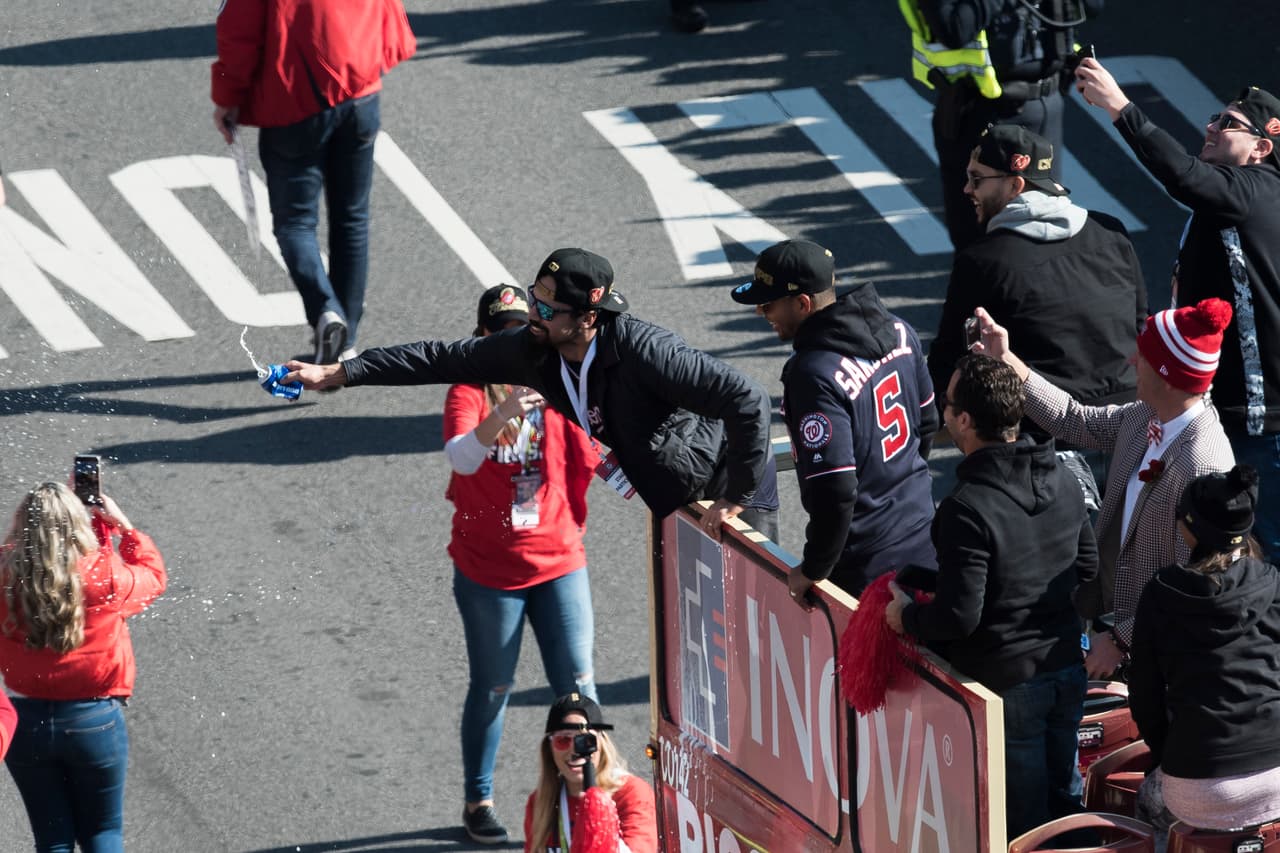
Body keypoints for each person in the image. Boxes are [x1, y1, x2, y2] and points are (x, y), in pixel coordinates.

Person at [285, 248, 779, 540]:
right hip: (677, 497)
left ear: (588, 317)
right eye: (534, 299)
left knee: (757, 624)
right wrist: (340, 373)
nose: (534, 318)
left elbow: (748, 399)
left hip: (730, 480)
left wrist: (738, 494)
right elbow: (439, 357)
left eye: (547, 310)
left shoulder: (647, 351)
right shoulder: (532, 350)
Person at [1075, 60, 1280, 562]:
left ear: (1262, 148)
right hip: (1227, 409)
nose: (1211, 126)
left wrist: (1120, 107)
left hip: (1254, 424)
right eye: (1215, 116)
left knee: (1258, 552)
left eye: (1228, 123)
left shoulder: (1248, 192)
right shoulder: (1247, 197)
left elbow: (1183, 176)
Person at [885, 354, 1096, 838]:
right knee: (1065, 812)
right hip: (1066, 669)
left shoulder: (965, 509)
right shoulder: (1065, 479)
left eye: (948, 403)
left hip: (1010, 687)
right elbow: (1086, 569)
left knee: (1021, 828)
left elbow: (960, 617)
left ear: (964, 420)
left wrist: (908, 617)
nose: (940, 411)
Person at [975, 298, 1236, 679]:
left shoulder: (1203, 466)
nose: (1132, 362)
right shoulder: (1148, 415)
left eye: (1143, 356)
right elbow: (1074, 420)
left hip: (1161, 654)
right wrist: (1007, 360)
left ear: (1166, 375)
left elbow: (1198, 582)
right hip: (1119, 626)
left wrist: (1121, 640)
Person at [447, 285, 600, 845]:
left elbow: (593, 446)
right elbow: (461, 458)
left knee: (579, 689)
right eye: (500, 330)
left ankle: (588, 803)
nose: (513, 338)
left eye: (522, 326)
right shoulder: (469, 388)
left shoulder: (558, 377)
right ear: (483, 337)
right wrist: (505, 410)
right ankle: (478, 799)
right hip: (491, 573)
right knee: (492, 688)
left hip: (559, 560)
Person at [928, 123, 1148, 505]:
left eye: (976, 179)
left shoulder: (983, 262)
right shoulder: (1111, 232)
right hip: (1131, 434)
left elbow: (951, 361)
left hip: (1046, 450)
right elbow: (1140, 326)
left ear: (1015, 186)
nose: (967, 190)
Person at [730, 239, 937, 599]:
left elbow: (835, 490)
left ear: (803, 303)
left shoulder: (812, 373)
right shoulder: (901, 330)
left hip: (868, 572)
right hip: (926, 539)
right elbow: (929, 422)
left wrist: (813, 570)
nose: (761, 314)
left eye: (768, 305)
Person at [211, 0, 416, 363]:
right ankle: (346, 341)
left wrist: (228, 99)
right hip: (360, 92)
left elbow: (238, 34)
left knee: (295, 224)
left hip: (296, 102)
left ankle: (325, 310)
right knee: (351, 219)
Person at [1, 483, 167, 851]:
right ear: (78, 524)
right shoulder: (104, 577)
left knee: (52, 837)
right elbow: (153, 579)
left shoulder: (3, 576)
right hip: (94, 721)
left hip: (23, 723)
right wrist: (123, 526)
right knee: (102, 832)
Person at [1129, 466, 1280, 844]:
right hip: (1277, 769)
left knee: (1149, 805)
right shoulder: (1273, 582)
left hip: (1196, 781)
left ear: (1189, 528)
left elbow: (1144, 698)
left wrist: (1169, 756)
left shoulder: (1162, 593)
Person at [900, 0, 1103, 250]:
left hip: (1044, 105)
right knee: (981, 244)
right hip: (980, 114)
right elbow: (955, 29)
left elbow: (1093, 7)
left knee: (1045, 232)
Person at [524, 693, 657, 853]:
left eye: (586, 741)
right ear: (549, 748)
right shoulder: (541, 802)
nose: (574, 751)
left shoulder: (631, 793)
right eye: (563, 740)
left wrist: (599, 815)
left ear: (602, 743)